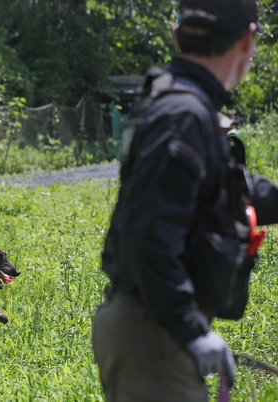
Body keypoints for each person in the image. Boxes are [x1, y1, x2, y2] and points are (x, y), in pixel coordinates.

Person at [92, 1, 278, 400]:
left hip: (152, 330)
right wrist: (191, 329)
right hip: (153, 336)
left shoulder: (180, 103)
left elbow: (226, 188)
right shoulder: (183, 113)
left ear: (177, 35)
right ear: (249, 37)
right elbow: (149, 234)